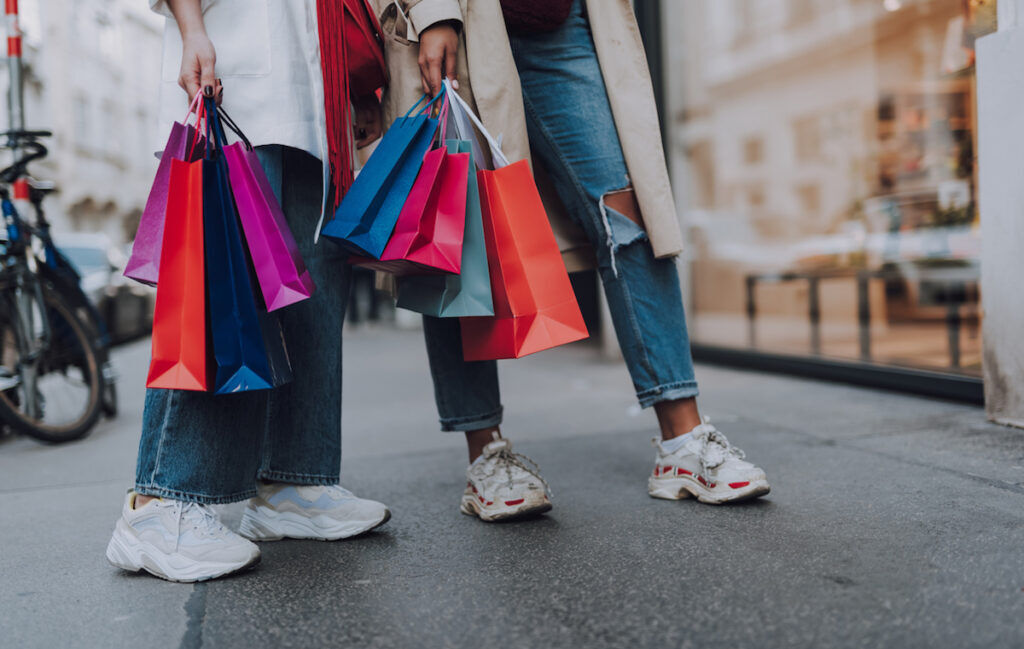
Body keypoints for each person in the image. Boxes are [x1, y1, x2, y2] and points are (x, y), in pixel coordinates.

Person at [376, 0, 770, 521]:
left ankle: (683, 440)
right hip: (463, 18)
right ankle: (486, 455)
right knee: (456, 228)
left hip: (563, 25)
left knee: (624, 210)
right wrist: (430, 11)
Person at [105, 0, 390, 582]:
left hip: (311, 94)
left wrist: (355, 83)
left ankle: (293, 481)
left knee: (312, 289)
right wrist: (191, 29)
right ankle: (163, 505)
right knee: (223, 288)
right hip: (233, 72)